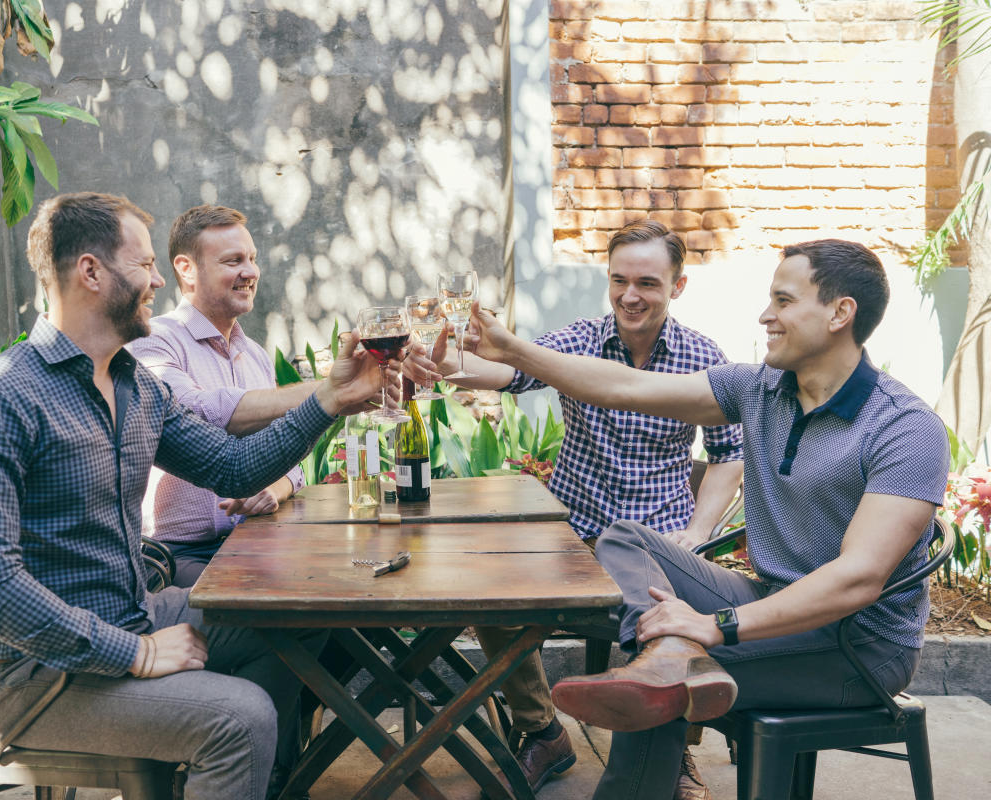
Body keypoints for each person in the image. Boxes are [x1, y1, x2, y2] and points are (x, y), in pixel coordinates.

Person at [447, 239, 949, 800]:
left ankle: (666, 663)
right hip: (771, 596)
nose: (765, 316)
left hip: (859, 647)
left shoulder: (904, 428)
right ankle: (665, 648)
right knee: (626, 539)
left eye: (782, 301)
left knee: (663, 686)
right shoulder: (760, 388)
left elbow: (859, 577)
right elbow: (623, 386)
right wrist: (514, 350)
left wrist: (717, 626)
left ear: (840, 313)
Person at [0, 192, 390, 800]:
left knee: (300, 619)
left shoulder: (136, 389)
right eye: (144, 265)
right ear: (90, 272)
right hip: (35, 675)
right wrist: (135, 653)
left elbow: (233, 468)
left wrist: (329, 401)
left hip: (135, 611)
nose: (156, 280)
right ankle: (239, 763)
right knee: (241, 719)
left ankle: (263, 783)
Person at [406, 220, 743, 797]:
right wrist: (439, 360)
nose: (630, 295)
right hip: (574, 535)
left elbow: (728, 456)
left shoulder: (703, 356)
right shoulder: (579, 339)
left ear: (678, 286)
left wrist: (696, 530)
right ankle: (542, 731)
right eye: (618, 280)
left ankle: (670, 753)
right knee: (492, 592)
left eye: (647, 283)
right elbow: (507, 374)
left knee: (672, 619)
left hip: (654, 543)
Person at [128, 204, 346, 588]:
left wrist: (274, 488)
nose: (250, 272)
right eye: (233, 261)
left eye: (252, 259)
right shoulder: (153, 342)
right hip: (180, 553)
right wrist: (329, 392)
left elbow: (291, 460)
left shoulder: (256, 355)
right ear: (186, 269)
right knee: (297, 604)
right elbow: (195, 414)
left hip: (257, 538)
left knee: (345, 580)